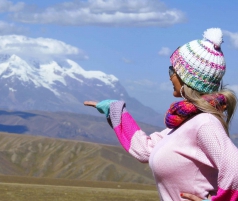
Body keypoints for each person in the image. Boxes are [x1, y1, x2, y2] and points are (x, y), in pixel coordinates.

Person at [84, 28, 238, 201]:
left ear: (187, 79)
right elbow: (145, 149)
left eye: (173, 71)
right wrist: (114, 109)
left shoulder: (205, 123)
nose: (170, 76)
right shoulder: (187, 123)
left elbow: (235, 167)